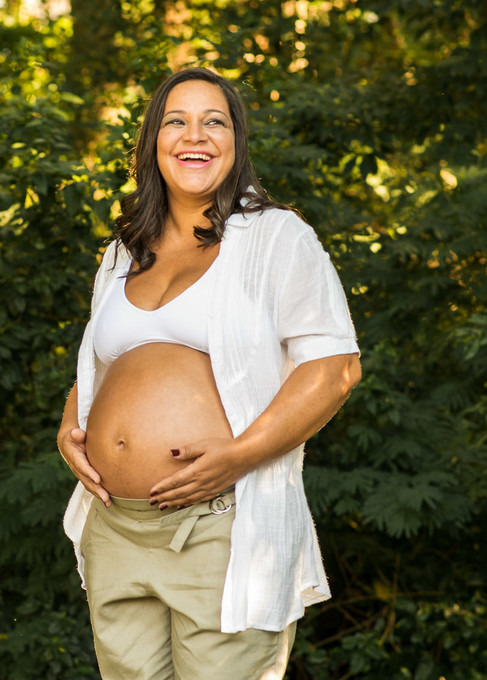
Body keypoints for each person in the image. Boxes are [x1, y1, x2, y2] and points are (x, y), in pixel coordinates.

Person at [58, 67, 362, 679]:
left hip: (223, 522)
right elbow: (99, 363)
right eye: (177, 120)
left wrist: (238, 455)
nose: (194, 135)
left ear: (236, 141)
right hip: (116, 523)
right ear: (153, 142)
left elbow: (334, 368)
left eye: (213, 121)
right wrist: (72, 426)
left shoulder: (276, 237)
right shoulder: (123, 250)